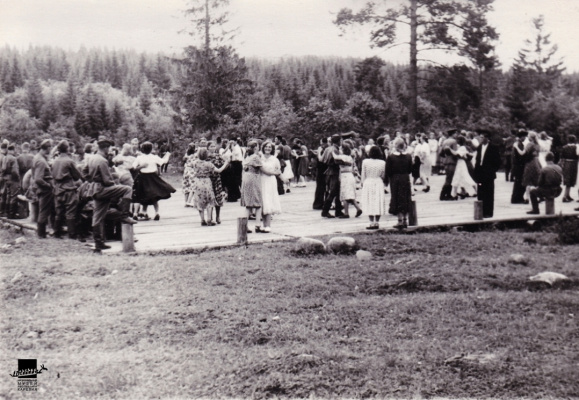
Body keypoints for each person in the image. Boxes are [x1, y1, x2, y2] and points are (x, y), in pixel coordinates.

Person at [84, 137, 137, 250]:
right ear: (106, 148)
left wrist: (91, 180)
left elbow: (84, 172)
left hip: (94, 189)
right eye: (110, 148)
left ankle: (98, 243)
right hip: (102, 189)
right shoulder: (102, 161)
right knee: (127, 189)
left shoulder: (92, 158)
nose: (110, 151)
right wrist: (115, 185)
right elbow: (107, 181)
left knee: (97, 216)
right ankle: (124, 216)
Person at [132, 141, 174, 221]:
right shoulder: (154, 157)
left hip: (142, 177)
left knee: (138, 195)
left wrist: (141, 166)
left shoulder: (139, 157)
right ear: (151, 149)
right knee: (154, 195)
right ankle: (157, 213)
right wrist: (167, 155)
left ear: (142, 149)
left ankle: (135, 214)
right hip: (152, 177)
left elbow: (133, 167)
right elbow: (163, 162)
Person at [190, 147, 230, 226]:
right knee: (209, 200)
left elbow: (189, 165)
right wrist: (226, 163)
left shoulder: (194, 163)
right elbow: (219, 170)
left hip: (198, 182)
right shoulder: (209, 164)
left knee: (199, 200)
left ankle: (202, 219)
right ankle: (209, 219)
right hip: (207, 182)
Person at [51, 140, 82, 239]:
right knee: (70, 211)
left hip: (58, 188)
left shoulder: (55, 161)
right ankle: (72, 234)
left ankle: (57, 232)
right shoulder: (69, 161)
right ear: (67, 148)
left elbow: (53, 175)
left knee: (59, 211)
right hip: (68, 188)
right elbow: (77, 176)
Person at [474, 129, 502, 218]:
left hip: (489, 173)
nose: (480, 139)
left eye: (482, 137)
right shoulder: (479, 147)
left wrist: (492, 170)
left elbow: (498, 161)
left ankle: (488, 212)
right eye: (480, 137)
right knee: (480, 192)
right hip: (480, 172)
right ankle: (481, 212)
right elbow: (477, 160)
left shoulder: (493, 147)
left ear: (487, 138)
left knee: (489, 193)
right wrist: (476, 172)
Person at [259, 141, 285, 233]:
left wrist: (284, 179)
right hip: (261, 180)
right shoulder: (259, 158)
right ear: (263, 148)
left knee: (268, 200)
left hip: (270, 181)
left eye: (270, 147)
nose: (268, 148)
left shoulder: (275, 159)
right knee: (262, 202)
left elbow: (278, 171)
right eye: (266, 147)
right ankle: (263, 225)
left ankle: (268, 225)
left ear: (272, 149)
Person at [387, 138, 413, 229]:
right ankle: (405, 220)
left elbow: (388, 171)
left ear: (395, 145)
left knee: (397, 199)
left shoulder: (391, 157)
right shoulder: (408, 156)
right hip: (405, 178)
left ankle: (400, 220)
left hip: (395, 179)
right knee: (406, 198)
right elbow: (410, 170)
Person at [31, 139, 55, 238]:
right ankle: (41, 233)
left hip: (41, 188)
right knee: (44, 211)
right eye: (50, 147)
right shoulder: (41, 161)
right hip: (45, 190)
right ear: (48, 148)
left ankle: (41, 232)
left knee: (43, 210)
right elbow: (38, 179)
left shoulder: (37, 157)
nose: (51, 149)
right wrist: (48, 185)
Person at [333, 143, 363, 219]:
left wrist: (332, 151)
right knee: (350, 194)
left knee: (344, 195)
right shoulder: (350, 157)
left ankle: (346, 213)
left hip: (344, 176)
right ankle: (358, 208)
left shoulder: (341, 156)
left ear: (343, 149)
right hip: (350, 175)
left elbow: (335, 157)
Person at [361, 145, 387, 230]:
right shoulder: (383, 163)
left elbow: (363, 175)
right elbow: (383, 176)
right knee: (378, 201)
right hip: (378, 182)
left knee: (369, 201)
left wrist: (362, 183)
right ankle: (377, 222)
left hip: (368, 182)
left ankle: (371, 222)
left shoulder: (365, 161)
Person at [240, 140, 262, 233]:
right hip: (253, 178)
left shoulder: (247, 157)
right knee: (258, 203)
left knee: (248, 204)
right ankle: (257, 225)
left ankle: (245, 225)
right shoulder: (256, 157)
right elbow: (262, 168)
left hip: (246, 178)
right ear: (256, 147)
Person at [321, 134, 344, 218]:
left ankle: (338, 210)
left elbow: (322, 160)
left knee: (337, 192)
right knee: (334, 191)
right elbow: (337, 161)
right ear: (338, 141)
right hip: (335, 171)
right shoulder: (335, 149)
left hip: (329, 171)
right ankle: (325, 211)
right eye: (341, 140)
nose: (342, 142)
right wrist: (345, 162)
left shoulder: (327, 149)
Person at [517, 131, 542, 203]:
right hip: (536, 162)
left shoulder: (529, 144)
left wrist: (516, 147)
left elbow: (522, 153)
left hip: (530, 163)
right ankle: (540, 196)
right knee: (536, 180)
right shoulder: (537, 145)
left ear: (530, 137)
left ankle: (527, 198)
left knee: (527, 181)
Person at [207, 141, 228, 224]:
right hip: (209, 178)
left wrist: (225, 162)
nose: (213, 148)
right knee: (210, 198)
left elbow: (224, 164)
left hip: (217, 178)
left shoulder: (218, 156)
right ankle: (210, 217)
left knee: (218, 196)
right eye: (211, 146)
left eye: (214, 146)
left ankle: (218, 216)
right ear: (208, 147)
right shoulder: (206, 156)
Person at [1, 144, 21, 218]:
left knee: (8, 195)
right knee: (13, 196)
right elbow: (15, 171)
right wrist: (18, 178)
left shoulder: (5, 157)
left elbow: (3, 169)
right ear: (13, 150)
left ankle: (6, 212)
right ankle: (11, 214)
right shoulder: (13, 158)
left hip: (6, 178)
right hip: (13, 179)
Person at [439, 129, 458, 200]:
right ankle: (443, 195)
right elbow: (455, 152)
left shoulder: (444, 141)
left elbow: (441, 153)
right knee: (449, 179)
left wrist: (446, 156)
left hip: (446, 161)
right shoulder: (454, 141)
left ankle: (447, 194)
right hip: (452, 161)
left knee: (448, 177)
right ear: (453, 134)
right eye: (455, 133)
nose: (456, 135)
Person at [510, 130, 528, 204]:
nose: (525, 138)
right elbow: (521, 156)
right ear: (521, 137)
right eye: (524, 136)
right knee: (519, 183)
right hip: (519, 166)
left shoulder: (517, 144)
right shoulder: (519, 145)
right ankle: (517, 198)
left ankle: (516, 197)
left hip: (516, 166)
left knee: (518, 183)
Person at [559, 135, 578, 203]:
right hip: (573, 164)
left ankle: (567, 195)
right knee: (570, 180)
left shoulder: (564, 147)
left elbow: (561, 157)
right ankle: (565, 196)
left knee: (568, 179)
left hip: (566, 163)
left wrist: (561, 165)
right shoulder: (576, 147)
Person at [312, 138, 328, 209]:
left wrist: (318, 153)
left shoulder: (323, 150)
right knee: (322, 187)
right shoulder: (324, 149)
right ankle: (320, 203)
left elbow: (320, 159)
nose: (321, 145)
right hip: (322, 170)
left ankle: (319, 203)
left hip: (322, 170)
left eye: (321, 143)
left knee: (321, 188)